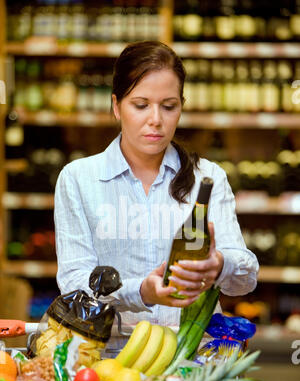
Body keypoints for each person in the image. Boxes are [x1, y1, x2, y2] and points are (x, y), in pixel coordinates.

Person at [54, 41, 259, 335]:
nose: (156, 120)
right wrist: (141, 291)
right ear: (116, 106)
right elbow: (75, 283)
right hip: (110, 359)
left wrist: (219, 265)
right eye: (141, 105)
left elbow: (246, 279)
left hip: (191, 360)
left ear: (181, 108)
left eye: (168, 106)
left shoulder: (207, 178)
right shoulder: (78, 179)